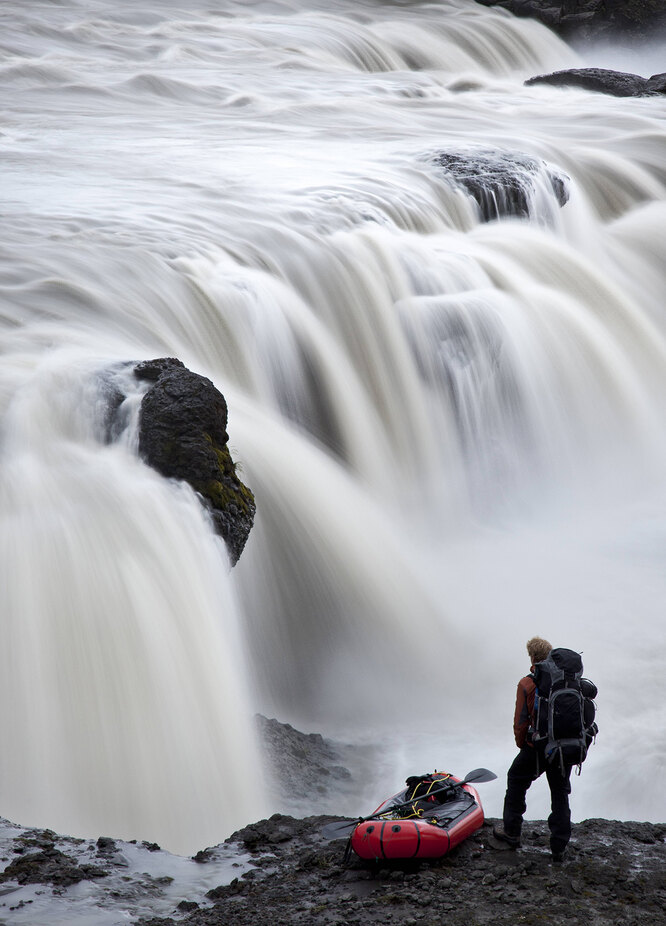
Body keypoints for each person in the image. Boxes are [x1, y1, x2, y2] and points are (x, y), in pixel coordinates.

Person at [493, 636, 572, 863]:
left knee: (516, 779)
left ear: (532, 657)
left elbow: (520, 722)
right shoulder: (565, 681)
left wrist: (523, 745)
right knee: (560, 793)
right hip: (563, 749)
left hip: (536, 748)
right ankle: (559, 847)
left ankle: (512, 833)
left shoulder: (527, 683)